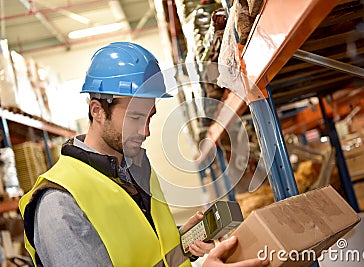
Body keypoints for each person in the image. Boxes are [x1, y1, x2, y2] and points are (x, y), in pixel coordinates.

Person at [18, 42, 268, 267]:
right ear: (97, 111)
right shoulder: (59, 204)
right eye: (135, 118)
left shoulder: (134, 168)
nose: (146, 131)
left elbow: (147, 257)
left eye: (149, 117)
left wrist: (181, 245)